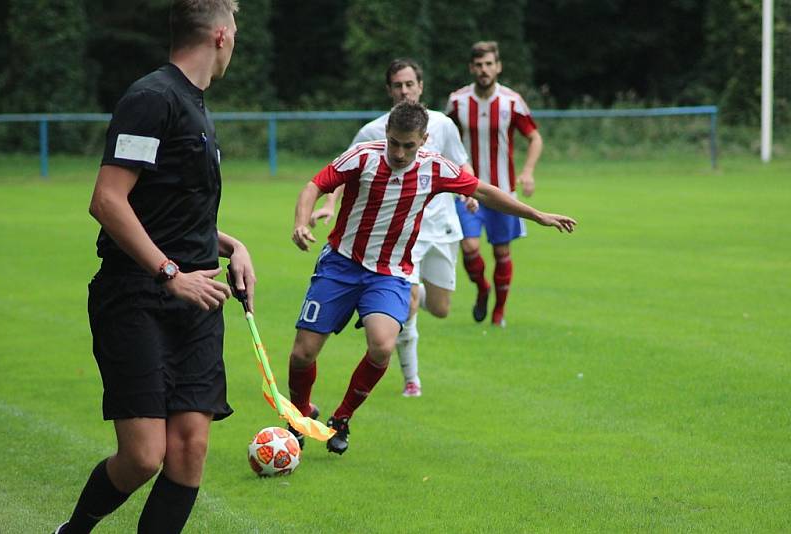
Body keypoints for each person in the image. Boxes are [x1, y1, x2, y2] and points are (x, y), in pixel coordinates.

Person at [54, 2, 255, 533]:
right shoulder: (152, 98)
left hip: (196, 299)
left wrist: (233, 246)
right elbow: (109, 200)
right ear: (218, 35)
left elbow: (170, 211)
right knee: (144, 455)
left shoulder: (195, 105)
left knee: (190, 450)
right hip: (137, 295)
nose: (236, 40)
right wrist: (170, 273)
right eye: (235, 30)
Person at [289, 100, 575, 456]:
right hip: (341, 265)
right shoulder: (363, 156)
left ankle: (342, 418)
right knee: (303, 354)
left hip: (390, 273)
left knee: (381, 346)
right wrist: (301, 222)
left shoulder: (434, 168)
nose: (399, 152)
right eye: (394, 142)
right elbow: (313, 185)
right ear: (386, 134)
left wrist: (536, 214)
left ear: (423, 139)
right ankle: (299, 417)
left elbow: (484, 191)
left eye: (409, 145)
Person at [310, 58, 476, 398]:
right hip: (397, 235)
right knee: (409, 297)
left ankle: (411, 296)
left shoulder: (442, 125)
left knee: (441, 308)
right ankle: (412, 379)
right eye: (397, 85)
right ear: (389, 90)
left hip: (442, 226)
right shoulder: (373, 132)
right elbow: (344, 170)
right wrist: (328, 203)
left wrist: (471, 196)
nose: (404, 90)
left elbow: (461, 165)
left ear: (421, 87)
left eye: (409, 84)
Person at [446, 41, 544, 327]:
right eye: (478, 65)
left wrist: (527, 172)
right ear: (471, 68)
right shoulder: (458, 102)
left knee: (502, 252)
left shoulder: (512, 101)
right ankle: (482, 289)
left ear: (498, 66)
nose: (484, 69)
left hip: (502, 192)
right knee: (469, 248)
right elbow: (443, 137)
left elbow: (535, 137)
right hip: (468, 190)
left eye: (489, 64)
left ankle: (499, 312)